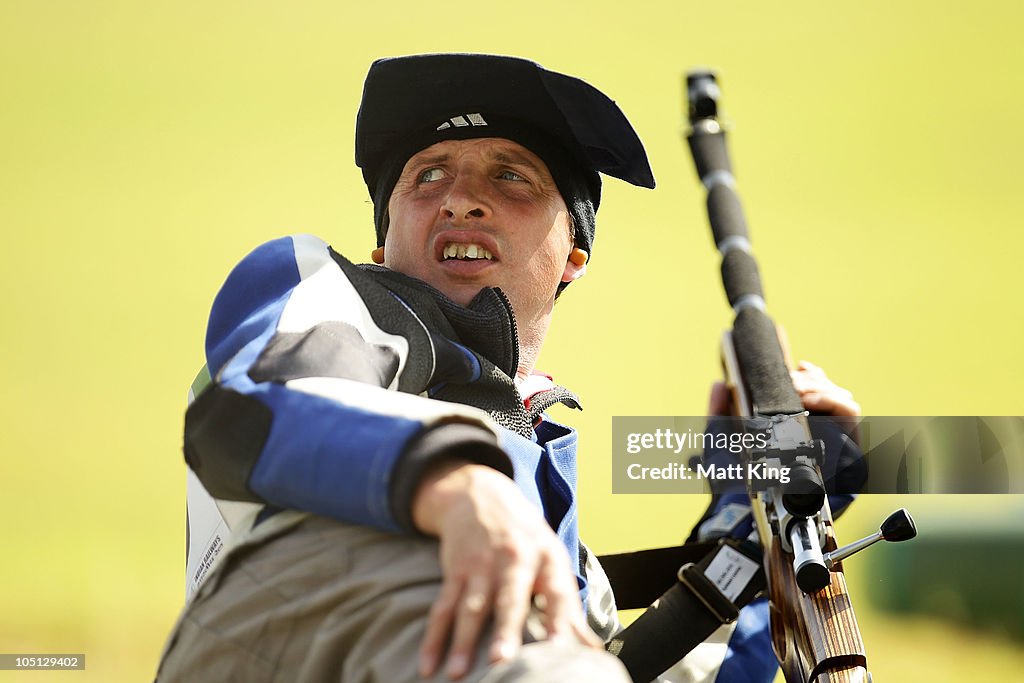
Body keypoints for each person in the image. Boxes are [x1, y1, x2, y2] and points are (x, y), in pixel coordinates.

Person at [156, 54, 862, 683]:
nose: (459, 197)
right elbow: (262, 406)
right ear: (382, 244)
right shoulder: (326, 294)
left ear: (573, 256)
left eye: (510, 176)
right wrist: (457, 483)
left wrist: (761, 512)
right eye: (427, 176)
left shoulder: (554, 537)